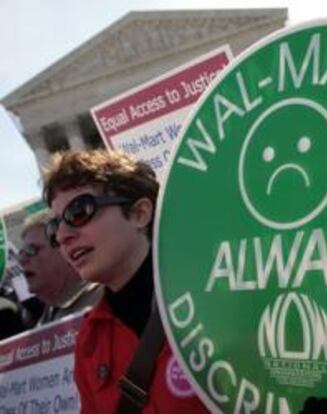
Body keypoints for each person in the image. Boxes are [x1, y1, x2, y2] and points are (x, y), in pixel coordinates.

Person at [42, 149, 208, 414]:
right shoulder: (89, 340)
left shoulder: (216, 294)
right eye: (53, 227)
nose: (62, 236)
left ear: (140, 213)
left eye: (79, 211)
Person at [19, 210, 103, 325]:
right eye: (21, 253)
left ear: (66, 249)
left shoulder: (102, 304)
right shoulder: (52, 308)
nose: (22, 260)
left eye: (31, 250)